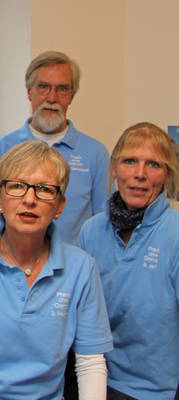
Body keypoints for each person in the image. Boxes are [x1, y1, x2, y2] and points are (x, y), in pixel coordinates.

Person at [0, 141, 113, 400]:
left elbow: (90, 363)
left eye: (44, 189)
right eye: (17, 186)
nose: (29, 199)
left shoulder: (81, 269)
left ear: (60, 206)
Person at [77, 122, 178, 400]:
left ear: (167, 175)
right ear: (114, 168)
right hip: (97, 380)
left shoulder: (175, 233)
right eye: (130, 161)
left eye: (154, 165)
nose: (140, 174)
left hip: (159, 390)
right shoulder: (92, 231)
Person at [0, 50, 109, 244]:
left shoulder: (96, 154)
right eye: (44, 87)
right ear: (29, 92)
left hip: (73, 270)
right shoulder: (1, 148)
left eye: (62, 89)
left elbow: (103, 224)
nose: (52, 97)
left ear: (72, 96)